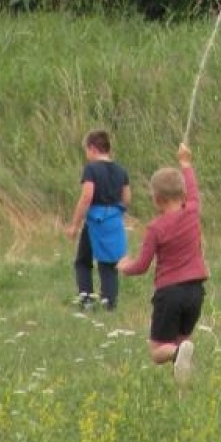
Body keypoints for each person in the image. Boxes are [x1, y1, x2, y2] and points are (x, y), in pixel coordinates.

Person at [118, 143, 208, 384]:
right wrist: (186, 163)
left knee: (159, 352)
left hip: (170, 293)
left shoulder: (156, 228)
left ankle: (178, 354)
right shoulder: (192, 212)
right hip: (195, 292)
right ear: (183, 195)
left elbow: (142, 266)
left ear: (157, 199)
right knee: (181, 339)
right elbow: (194, 189)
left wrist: (124, 265)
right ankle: (183, 385)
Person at [64, 129, 132, 311]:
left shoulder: (91, 169)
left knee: (83, 260)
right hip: (114, 220)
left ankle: (86, 299)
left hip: (95, 220)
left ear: (92, 148)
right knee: (109, 263)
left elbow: (87, 196)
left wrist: (74, 225)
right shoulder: (121, 170)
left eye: (86, 150)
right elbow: (127, 198)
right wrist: (116, 212)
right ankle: (109, 303)